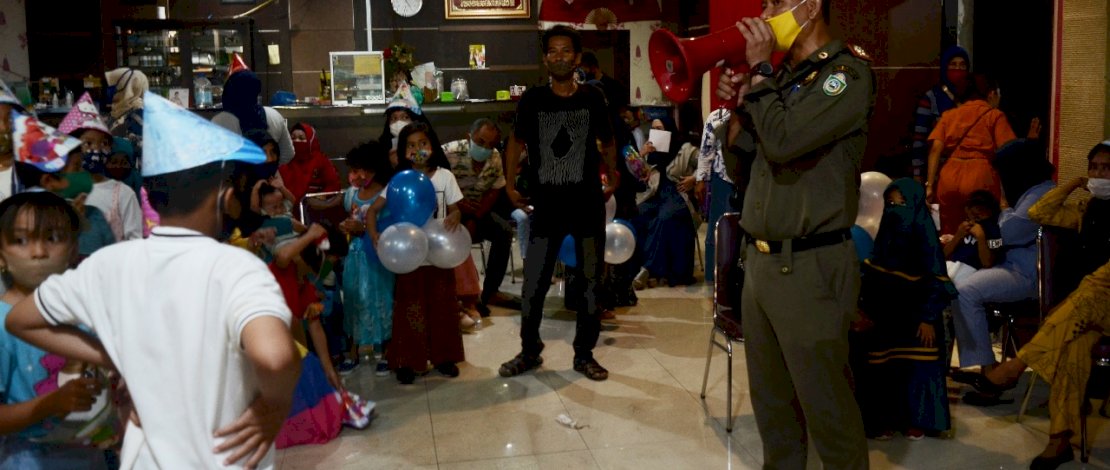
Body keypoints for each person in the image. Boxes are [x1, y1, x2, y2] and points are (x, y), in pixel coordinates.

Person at [4, 92, 301, 469]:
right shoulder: (235, 268)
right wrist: (274, 407)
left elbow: (21, 319)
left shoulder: (108, 265)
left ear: (149, 196)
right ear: (225, 197)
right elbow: (275, 356)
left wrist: (117, 354)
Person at [715, 0, 875, 466]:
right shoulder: (782, 79)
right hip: (762, 264)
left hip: (809, 264)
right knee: (775, 416)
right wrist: (739, 105)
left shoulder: (844, 76)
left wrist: (761, 73)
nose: (765, 11)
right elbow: (741, 167)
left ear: (810, 6)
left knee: (829, 413)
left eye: (775, 1)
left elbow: (786, 142)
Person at [956, 140, 1110, 469]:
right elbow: (1042, 214)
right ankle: (1060, 441)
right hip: (1086, 310)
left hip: (1100, 299)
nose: (1098, 174)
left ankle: (1014, 366)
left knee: (1093, 286)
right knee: (1072, 348)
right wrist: (1073, 184)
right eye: (1093, 168)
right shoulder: (1089, 209)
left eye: (1106, 169)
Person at [498, 25, 618, 382]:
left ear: (577, 58)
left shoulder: (593, 98)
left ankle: (584, 354)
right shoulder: (533, 100)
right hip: (546, 207)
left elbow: (608, 141)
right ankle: (529, 351)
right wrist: (508, 184)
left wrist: (613, 175)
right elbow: (515, 143)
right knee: (534, 282)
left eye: (567, 51)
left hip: (586, 206)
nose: (560, 56)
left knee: (590, 283)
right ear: (546, 58)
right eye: (553, 51)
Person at [0, 192, 116, 469]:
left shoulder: (90, 313)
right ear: (0, 256)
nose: (39, 252)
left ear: (74, 249)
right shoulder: (3, 322)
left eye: (53, 238)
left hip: (93, 455)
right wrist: (52, 404)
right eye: (21, 240)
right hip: (27, 458)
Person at [949, 139, 1055, 403]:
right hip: (1012, 265)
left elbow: (1007, 231)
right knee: (956, 288)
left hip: (1028, 274)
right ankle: (983, 365)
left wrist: (1004, 210)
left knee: (966, 291)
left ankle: (989, 373)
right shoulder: (1030, 191)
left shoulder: (1044, 193)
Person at [854, 178, 956, 440]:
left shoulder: (926, 236)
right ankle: (884, 420)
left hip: (917, 315)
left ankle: (917, 420)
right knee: (883, 365)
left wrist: (927, 318)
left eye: (902, 203)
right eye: (890, 203)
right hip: (886, 312)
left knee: (917, 366)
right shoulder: (886, 233)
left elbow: (937, 281)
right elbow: (877, 273)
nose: (895, 209)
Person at [366, 121, 466, 385]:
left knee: (443, 307)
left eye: (423, 143)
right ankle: (408, 361)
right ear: (402, 151)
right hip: (409, 258)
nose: (417, 149)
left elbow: (456, 208)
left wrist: (455, 214)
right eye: (411, 145)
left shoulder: (445, 176)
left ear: (432, 145)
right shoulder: (399, 181)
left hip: (439, 254)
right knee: (410, 309)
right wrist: (375, 234)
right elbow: (372, 210)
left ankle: (444, 358)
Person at [926, 73, 1033, 236]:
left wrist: (930, 186)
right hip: (980, 175)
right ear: (990, 94)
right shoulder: (994, 115)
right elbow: (1008, 152)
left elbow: (935, 149)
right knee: (982, 230)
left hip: (949, 176)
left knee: (950, 231)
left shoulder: (949, 115)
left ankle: (951, 260)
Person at [443, 118, 518, 315]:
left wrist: (475, 217)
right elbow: (436, 182)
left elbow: (494, 191)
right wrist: (458, 206)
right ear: (470, 137)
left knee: (504, 231)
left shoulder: (494, 158)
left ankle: (491, 291)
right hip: (448, 211)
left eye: (491, 144)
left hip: (478, 211)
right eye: (481, 142)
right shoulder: (448, 152)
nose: (485, 148)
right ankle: (456, 294)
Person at [338, 140, 396, 377]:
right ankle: (354, 350)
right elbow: (349, 219)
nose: (360, 176)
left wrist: (363, 228)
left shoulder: (385, 194)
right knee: (354, 298)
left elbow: (388, 225)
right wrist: (347, 227)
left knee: (380, 297)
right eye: (355, 170)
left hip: (377, 255)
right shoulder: (351, 194)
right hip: (355, 256)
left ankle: (385, 350)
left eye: (366, 170)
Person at [58, 92, 143, 242]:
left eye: (103, 143)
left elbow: (135, 244)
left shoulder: (123, 194)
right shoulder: (58, 192)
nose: (96, 149)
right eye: (88, 143)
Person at [632, 117, 698, 288]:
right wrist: (642, 155)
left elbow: (707, 163)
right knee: (639, 214)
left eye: (660, 129)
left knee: (664, 217)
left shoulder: (685, 148)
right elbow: (638, 175)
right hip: (656, 194)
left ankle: (648, 268)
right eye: (654, 129)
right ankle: (641, 268)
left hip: (678, 194)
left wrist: (694, 178)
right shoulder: (652, 152)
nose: (657, 133)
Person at [212, 70, 295, 166]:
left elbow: (213, 160)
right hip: (268, 180)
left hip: (237, 180)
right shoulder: (273, 115)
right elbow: (288, 153)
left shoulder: (221, 120)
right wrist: (269, 170)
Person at [911, 46, 970, 180]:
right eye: (953, 65)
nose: (958, 69)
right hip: (938, 173)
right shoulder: (931, 98)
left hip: (968, 171)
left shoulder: (972, 98)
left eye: (962, 65)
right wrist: (917, 174)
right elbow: (919, 139)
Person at [941, 189, 1003, 282]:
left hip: (971, 272)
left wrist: (981, 236)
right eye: (972, 213)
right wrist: (957, 236)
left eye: (979, 214)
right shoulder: (965, 225)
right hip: (951, 265)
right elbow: (943, 255)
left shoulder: (994, 230)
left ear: (989, 212)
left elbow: (987, 263)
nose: (974, 219)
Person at [280, 123, 341, 208]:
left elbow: (333, 184)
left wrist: (322, 196)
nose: (296, 141)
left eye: (301, 138)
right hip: (288, 210)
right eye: (293, 138)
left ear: (310, 141)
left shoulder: (320, 160)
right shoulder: (285, 161)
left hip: (314, 211)